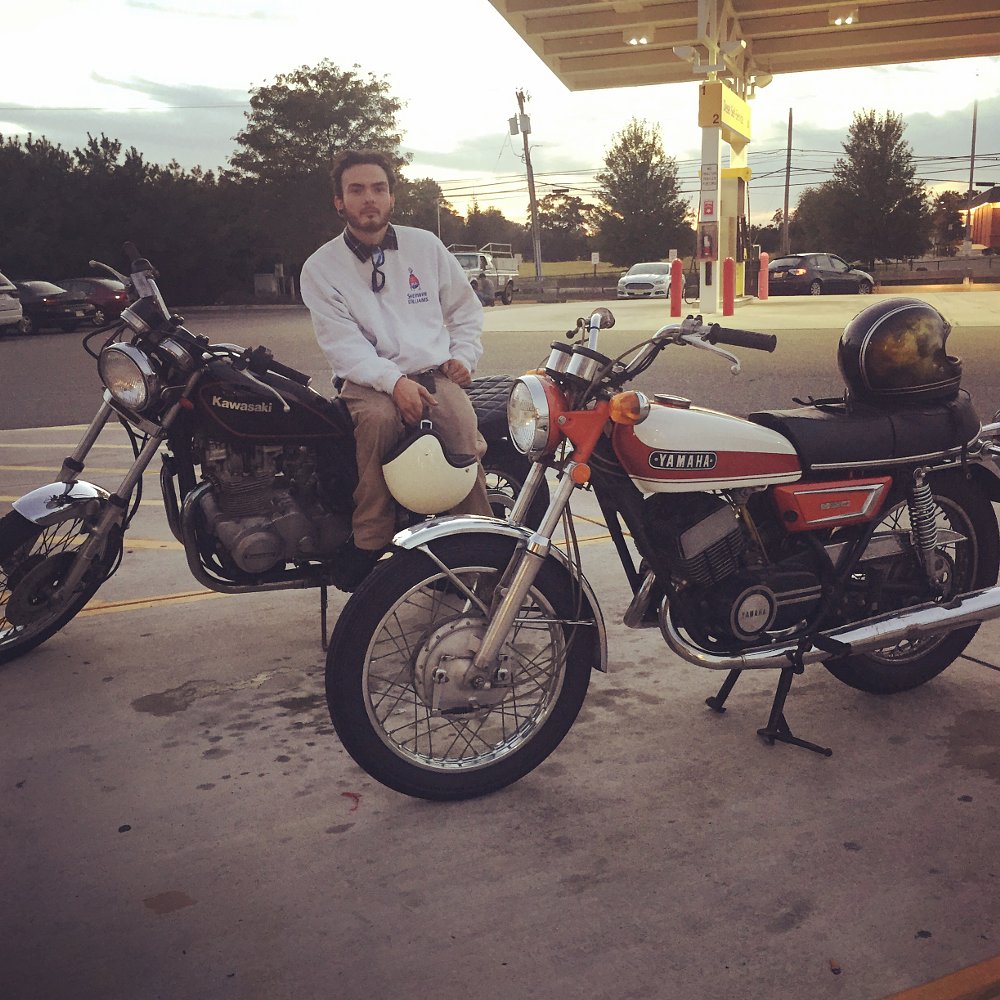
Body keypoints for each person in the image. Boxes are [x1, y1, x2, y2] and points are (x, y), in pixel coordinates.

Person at [300, 149, 492, 591]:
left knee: (462, 436)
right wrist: (394, 382)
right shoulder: (320, 267)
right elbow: (342, 345)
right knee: (379, 421)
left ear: (391, 197)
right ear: (339, 202)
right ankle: (370, 536)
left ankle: (474, 545)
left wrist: (463, 357)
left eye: (379, 188)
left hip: (435, 372)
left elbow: (465, 311)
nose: (369, 198)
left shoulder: (425, 245)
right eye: (357, 189)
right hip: (368, 380)